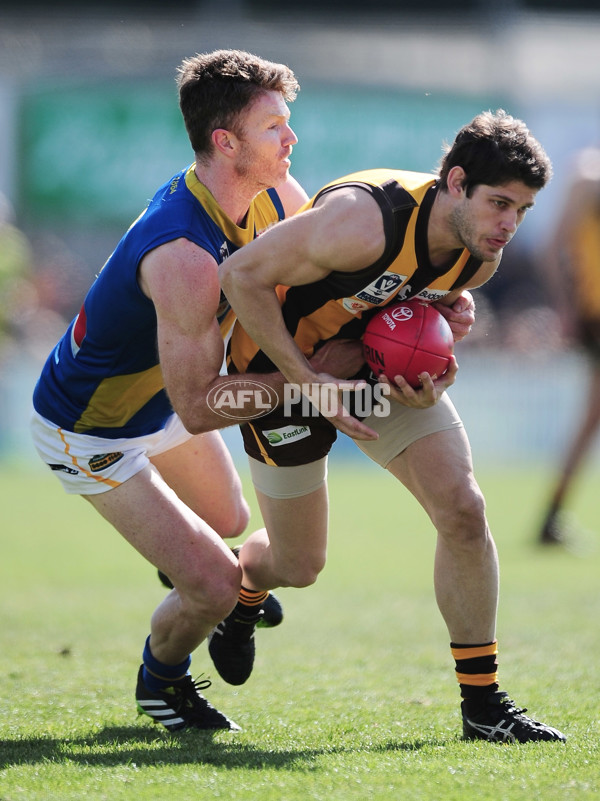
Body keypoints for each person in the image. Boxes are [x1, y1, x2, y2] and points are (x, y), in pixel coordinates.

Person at [215, 109, 567, 743]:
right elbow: (240, 276)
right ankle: (241, 595)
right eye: (499, 203)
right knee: (298, 564)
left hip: (366, 377)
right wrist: (306, 381)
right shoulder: (361, 220)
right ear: (456, 182)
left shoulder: (479, 258)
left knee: (463, 510)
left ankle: (483, 707)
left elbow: (414, 315)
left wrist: (435, 353)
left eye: (523, 209)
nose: (510, 224)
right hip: (279, 375)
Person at [29, 48, 319, 733]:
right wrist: (307, 382)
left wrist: (426, 304)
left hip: (159, 401)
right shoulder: (183, 255)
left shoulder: (271, 193)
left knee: (228, 519)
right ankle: (163, 680)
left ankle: (195, 572)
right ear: (226, 142)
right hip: (88, 430)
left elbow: (329, 273)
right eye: (274, 125)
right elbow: (199, 404)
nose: (291, 138)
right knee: (218, 584)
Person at [537, 146, 600, 545]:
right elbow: (551, 249)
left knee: (590, 419)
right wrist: (565, 306)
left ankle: (552, 517)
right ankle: (551, 517)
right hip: (595, 315)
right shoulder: (586, 177)